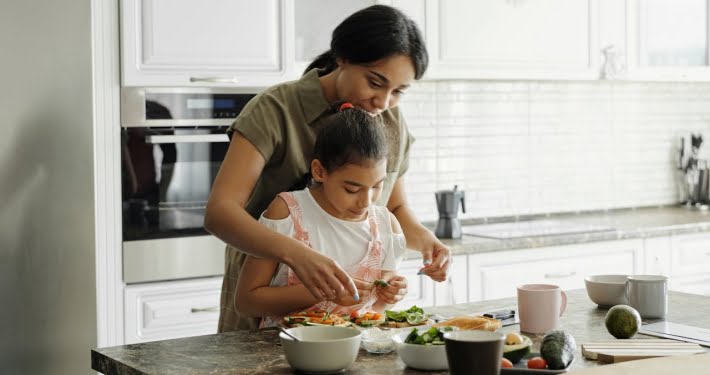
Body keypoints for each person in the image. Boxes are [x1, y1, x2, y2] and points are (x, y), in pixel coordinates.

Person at [204, 4, 452, 332]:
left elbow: (394, 206)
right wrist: (297, 255)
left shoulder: (390, 120)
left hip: (348, 323)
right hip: (264, 306)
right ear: (343, 58)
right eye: (375, 82)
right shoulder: (275, 109)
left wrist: (427, 242)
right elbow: (220, 212)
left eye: (398, 92)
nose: (383, 101)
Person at [235, 104, 407, 327]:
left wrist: (391, 294)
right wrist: (321, 292)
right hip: (285, 352)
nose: (366, 201)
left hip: (356, 352)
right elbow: (246, 302)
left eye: (377, 186)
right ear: (319, 171)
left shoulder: (386, 226)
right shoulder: (288, 213)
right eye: (352, 189)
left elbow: (377, 309)